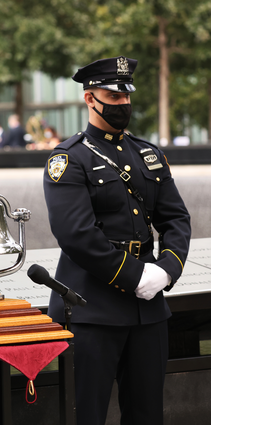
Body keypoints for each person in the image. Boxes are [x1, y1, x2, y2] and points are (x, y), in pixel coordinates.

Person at [42, 56, 191, 425]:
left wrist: (166, 270)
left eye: (126, 96)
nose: (122, 104)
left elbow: (176, 218)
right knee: (86, 415)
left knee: (146, 415)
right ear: (90, 99)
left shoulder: (148, 154)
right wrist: (135, 276)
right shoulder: (67, 159)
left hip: (148, 309)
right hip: (91, 308)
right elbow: (77, 234)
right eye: (113, 96)